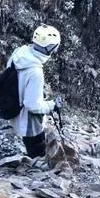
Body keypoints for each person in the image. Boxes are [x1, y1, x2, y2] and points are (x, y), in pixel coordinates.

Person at [6, 24, 64, 159]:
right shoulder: (35, 72)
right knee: (37, 152)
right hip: (28, 120)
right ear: (50, 49)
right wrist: (52, 105)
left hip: (14, 106)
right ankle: (34, 166)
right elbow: (32, 105)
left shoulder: (20, 53)